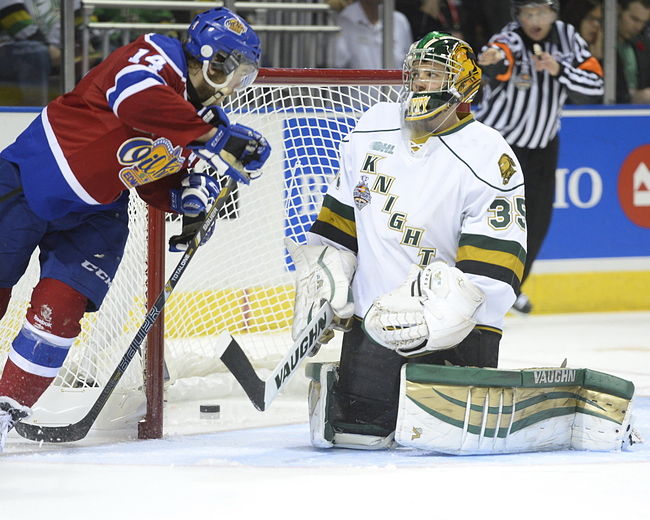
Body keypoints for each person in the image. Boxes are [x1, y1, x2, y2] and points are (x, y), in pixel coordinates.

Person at [0, 7, 271, 451]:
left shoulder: (205, 122)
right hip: (32, 176)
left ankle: (4, 412)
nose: (235, 84)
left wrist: (192, 205)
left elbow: (159, 181)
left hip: (98, 211)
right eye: (233, 69)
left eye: (245, 75)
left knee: (61, 313)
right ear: (210, 59)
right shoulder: (156, 54)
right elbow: (136, 101)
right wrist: (211, 140)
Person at [287, 32, 527, 450]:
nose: (420, 84)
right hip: (372, 332)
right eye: (416, 74)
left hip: (459, 338)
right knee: (355, 440)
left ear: (463, 84)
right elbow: (339, 224)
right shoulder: (371, 126)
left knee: (444, 451)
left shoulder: (490, 156)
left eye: (433, 75)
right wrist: (326, 280)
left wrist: (436, 315)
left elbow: (495, 271)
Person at [475, 0, 604, 314]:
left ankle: (512, 288)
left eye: (541, 13)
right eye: (527, 13)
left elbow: (595, 83)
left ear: (554, 14)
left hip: (543, 147)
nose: (534, 20)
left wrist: (560, 70)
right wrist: (492, 60)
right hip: (500, 147)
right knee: (488, 218)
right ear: (518, 16)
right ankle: (477, 282)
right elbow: (499, 58)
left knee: (537, 223)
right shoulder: (512, 38)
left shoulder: (567, 37)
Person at [0, 0, 56, 105]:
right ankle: (34, 112)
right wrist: (50, 49)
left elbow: (84, 24)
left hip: (60, 50)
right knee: (34, 52)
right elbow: (15, 19)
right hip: (8, 50)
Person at [332, 0, 413, 68]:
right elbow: (336, 66)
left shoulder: (399, 21)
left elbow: (409, 65)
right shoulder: (343, 21)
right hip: (357, 87)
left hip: (396, 87)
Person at [616, 0, 650, 103]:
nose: (638, 27)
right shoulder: (598, 45)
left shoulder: (644, 45)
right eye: (634, 19)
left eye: (643, 22)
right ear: (618, 10)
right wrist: (631, 97)